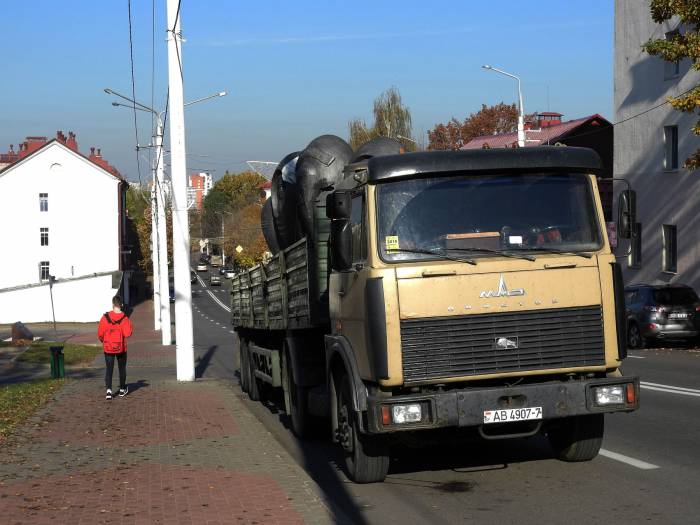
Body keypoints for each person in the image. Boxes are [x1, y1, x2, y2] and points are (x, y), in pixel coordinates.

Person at [97, 295, 133, 400]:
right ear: (121, 304)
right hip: (121, 348)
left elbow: (100, 333)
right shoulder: (125, 318)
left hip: (108, 347)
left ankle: (109, 391)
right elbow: (128, 334)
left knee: (109, 369)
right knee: (122, 369)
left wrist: (104, 341)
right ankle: (122, 389)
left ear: (113, 304)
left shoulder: (105, 317)